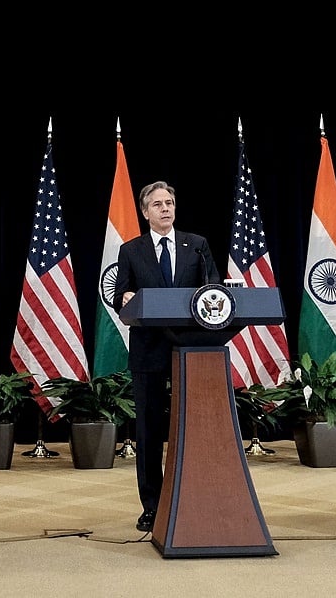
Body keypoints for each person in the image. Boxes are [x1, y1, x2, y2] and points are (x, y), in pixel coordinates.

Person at [112, 181, 220, 532]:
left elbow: (214, 290)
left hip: (191, 349)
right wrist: (125, 298)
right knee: (149, 431)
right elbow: (119, 295)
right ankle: (152, 505)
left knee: (195, 426)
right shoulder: (131, 250)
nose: (165, 208)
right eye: (157, 204)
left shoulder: (197, 246)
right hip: (148, 351)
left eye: (169, 202)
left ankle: (195, 498)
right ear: (145, 212)